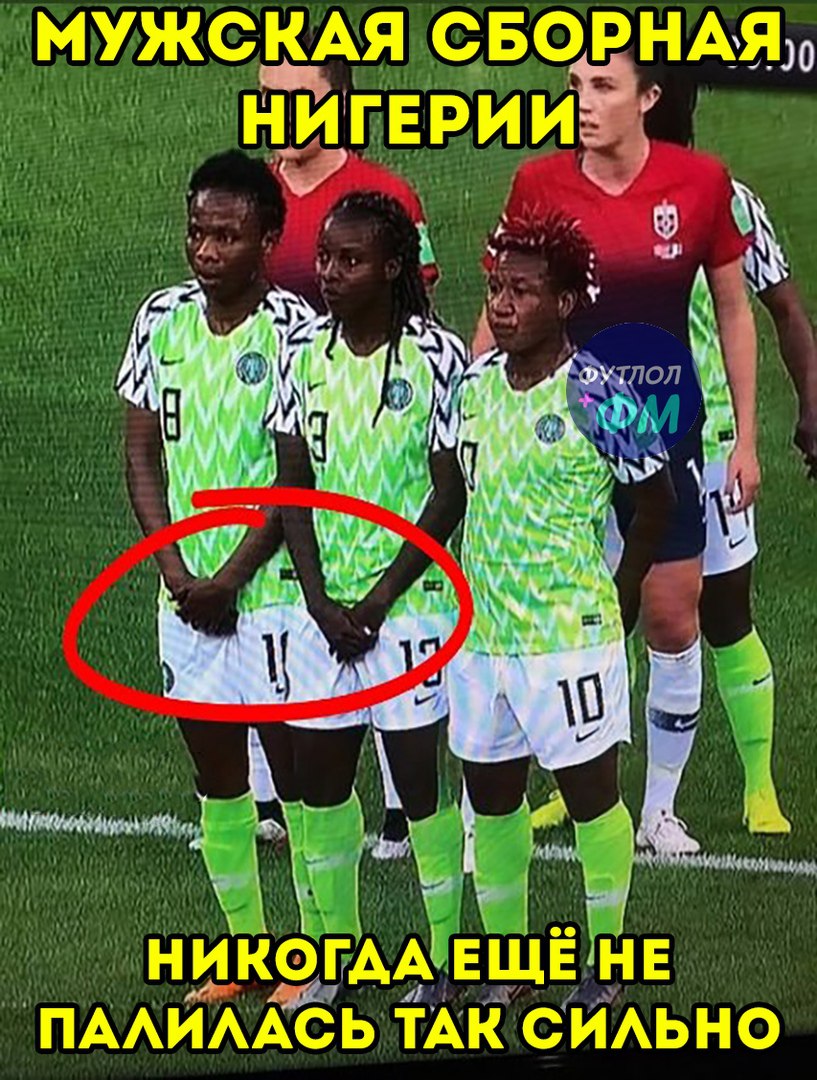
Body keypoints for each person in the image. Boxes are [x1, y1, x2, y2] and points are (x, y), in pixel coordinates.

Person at [474, 49, 760, 857]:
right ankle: (558, 787)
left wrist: (744, 438)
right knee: (557, 607)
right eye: (575, 87)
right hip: (556, 434)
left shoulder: (699, 183)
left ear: (648, 97)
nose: (583, 102)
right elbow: (504, 297)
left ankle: (658, 810)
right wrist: (474, 387)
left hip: (662, 426)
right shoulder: (537, 183)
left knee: (669, 615)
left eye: (602, 87)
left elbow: (733, 311)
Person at [536, 74, 817, 844]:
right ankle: (578, 784)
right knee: (599, 608)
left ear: (653, 102)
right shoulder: (570, 195)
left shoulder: (725, 201)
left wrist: (803, 410)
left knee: (716, 611)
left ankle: (755, 787)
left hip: (705, 440)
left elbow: (780, 309)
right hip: (596, 440)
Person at [451, 209, 674, 1010]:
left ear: (565, 302)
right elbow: (451, 494)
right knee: (491, 801)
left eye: (521, 291)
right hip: (480, 640)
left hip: (567, 639)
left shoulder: (596, 391)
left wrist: (622, 589)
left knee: (589, 801)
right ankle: (504, 967)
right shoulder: (471, 388)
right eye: (495, 289)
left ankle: (606, 968)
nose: (502, 305)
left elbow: (655, 498)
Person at [116, 150, 313, 1004]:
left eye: (227, 235)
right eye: (197, 231)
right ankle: (246, 955)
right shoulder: (159, 318)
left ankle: (318, 960)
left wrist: (229, 577)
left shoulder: (298, 334)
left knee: (300, 783)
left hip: (277, 600)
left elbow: (295, 477)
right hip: (186, 595)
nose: (205, 249)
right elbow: (140, 452)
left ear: (267, 239)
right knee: (218, 781)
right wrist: (175, 570)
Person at [269, 192, 467, 1009]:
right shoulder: (300, 353)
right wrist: (319, 600)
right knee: (318, 789)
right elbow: (291, 485)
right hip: (321, 614)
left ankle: (446, 961)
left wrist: (381, 600)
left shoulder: (437, 357)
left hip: (409, 610)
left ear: (391, 267)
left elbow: (447, 494)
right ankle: (330, 962)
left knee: (418, 789)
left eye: (348, 260)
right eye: (324, 257)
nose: (328, 273)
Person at [250, 44, 439, 858]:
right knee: (262, 603)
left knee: (379, 600)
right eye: (268, 96)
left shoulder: (383, 196)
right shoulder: (249, 195)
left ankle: (399, 808)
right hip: (268, 428)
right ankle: (269, 795)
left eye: (298, 96)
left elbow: (418, 315)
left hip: (368, 437)